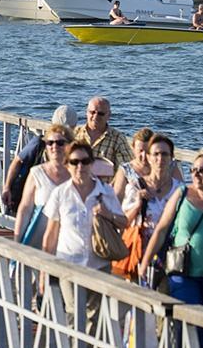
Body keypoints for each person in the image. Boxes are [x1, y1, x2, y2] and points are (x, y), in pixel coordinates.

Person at [43, 141, 126, 334]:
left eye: (85, 161)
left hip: (98, 264)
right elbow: (51, 233)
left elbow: (123, 222)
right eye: (75, 162)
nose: (80, 166)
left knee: (94, 320)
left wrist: (107, 214)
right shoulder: (60, 193)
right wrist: (44, 268)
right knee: (74, 315)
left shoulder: (105, 191)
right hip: (68, 264)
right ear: (67, 165)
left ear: (91, 164)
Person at [139, 149, 203, 344]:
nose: (195, 173)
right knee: (186, 324)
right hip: (183, 273)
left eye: (202, 170)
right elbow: (161, 230)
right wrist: (145, 262)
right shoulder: (182, 194)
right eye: (193, 169)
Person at [121, 134, 183, 280]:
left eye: (164, 154)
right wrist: (137, 205)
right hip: (140, 250)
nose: (160, 159)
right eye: (155, 154)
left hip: (170, 253)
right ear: (148, 157)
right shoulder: (136, 186)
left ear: (171, 157)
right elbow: (123, 222)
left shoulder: (180, 190)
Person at [12, 123, 71, 247]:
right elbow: (25, 208)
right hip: (38, 238)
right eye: (50, 143)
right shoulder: (36, 173)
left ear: (69, 145)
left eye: (60, 143)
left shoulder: (76, 174)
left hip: (67, 240)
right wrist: (17, 239)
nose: (55, 146)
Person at [76, 96, 132, 172]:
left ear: (109, 115)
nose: (95, 116)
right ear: (86, 113)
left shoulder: (117, 139)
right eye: (92, 112)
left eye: (101, 113)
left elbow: (127, 170)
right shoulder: (74, 134)